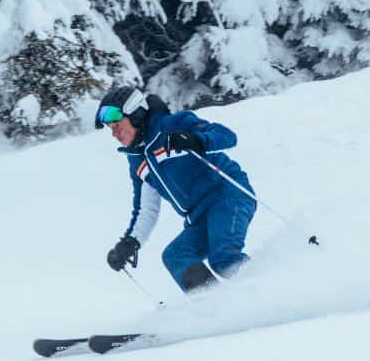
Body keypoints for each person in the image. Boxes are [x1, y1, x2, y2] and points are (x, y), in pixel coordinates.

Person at [94, 85, 257, 291]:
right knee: (176, 255)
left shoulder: (172, 126)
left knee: (223, 258)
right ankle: (216, 305)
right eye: (111, 128)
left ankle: (273, 285)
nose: (114, 133)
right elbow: (146, 208)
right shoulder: (137, 160)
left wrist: (196, 140)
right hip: (198, 217)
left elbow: (226, 135)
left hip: (228, 196)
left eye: (117, 125)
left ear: (135, 115)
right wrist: (130, 242)